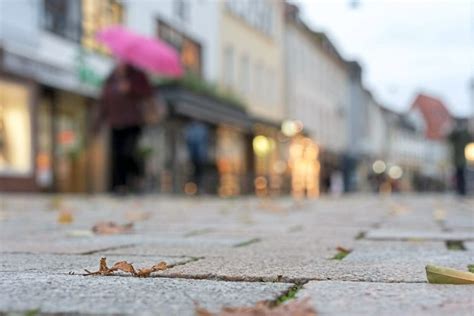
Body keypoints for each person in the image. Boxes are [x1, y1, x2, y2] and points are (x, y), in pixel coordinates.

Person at [94, 62, 152, 194]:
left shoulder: (137, 76)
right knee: (117, 155)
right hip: (115, 122)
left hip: (133, 122)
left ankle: (137, 175)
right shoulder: (111, 78)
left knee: (128, 152)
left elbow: (148, 92)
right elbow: (103, 102)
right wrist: (97, 124)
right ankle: (119, 186)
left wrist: (131, 89)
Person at [185, 121, 209, 193]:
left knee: (195, 172)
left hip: (194, 155)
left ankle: (194, 188)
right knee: (198, 172)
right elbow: (205, 142)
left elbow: (188, 141)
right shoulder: (202, 129)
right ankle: (197, 187)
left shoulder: (190, 129)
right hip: (199, 155)